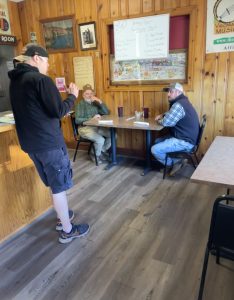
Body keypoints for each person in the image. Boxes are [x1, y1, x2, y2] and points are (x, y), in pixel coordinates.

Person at [8, 43, 90, 244]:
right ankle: (67, 230)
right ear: (36, 58)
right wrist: (73, 95)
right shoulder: (40, 80)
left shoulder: (15, 82)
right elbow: (59, 111)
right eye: (46, 61)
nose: (47, 66)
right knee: (59, 187)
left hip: (31, 145)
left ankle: (63, 219)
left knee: (54, 185)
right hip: (49, 144)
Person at [151, 82, 200, 176]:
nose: (168, 94)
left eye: (171, 91)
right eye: (168, 92)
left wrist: (159, 120)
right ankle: (173, 163)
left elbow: (166, 123)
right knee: (157, 141)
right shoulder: (183, 102)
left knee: (154, 149)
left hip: (185, 141)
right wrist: (163, 115)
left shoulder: (178, 105)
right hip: (187, 137)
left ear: (178, 92)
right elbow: (172, 113)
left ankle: (174, 163)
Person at [75, 84, 111, 164]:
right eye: (87, 94)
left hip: (96, 127)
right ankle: (96, 155)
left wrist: (100, 102)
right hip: (84, 128)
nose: (89, 95)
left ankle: (100, 151)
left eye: (91, 93)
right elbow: (77, 120)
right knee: (100, 140)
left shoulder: (95, 103)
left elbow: (106, 113)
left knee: (113, 136)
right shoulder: (80, 105)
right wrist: (91, 119)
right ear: (83, 95)